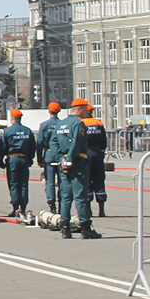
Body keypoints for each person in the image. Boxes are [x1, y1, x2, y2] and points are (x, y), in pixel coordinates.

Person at [51, 98, 101, 239]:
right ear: (79, 109)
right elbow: (77, 143)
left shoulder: (61, 124)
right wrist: (70, 159)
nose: (87, 111)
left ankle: (65, 228)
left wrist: (61, 159)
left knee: (65, 196)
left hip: (64, 163)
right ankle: (85, 227)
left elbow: (53, 142)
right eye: (85, 108)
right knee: (80, 196)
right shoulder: (78, 123)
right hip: (77, 162)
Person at [1, 109, 36, 220]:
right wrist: (30, 159)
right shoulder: (27, 131)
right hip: (24, 159)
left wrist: (0, 160)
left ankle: (16, 208)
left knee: (14, 184)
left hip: (12, 159)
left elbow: (2, 147)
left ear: (12, 118)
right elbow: (32, 147)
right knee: (24, 184)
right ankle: (23, 208)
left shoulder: (7, 131)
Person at [81, 105, 108, 217]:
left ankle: (88, 209)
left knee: (86, 180)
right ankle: (101, 209)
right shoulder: (99, 123)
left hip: (86, 153)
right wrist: (101, 152)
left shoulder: (81, 123)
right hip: (97, 153)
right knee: (99, 179)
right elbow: (104, 140)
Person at [38, 102, 63, 213]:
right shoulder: (62, 124)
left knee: (50, 181)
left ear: (49, 111)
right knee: (62, 181)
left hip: (49, 154)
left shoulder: (44, 125)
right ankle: (62, 203)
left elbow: (39, 142)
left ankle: (51, 204)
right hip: (60, 154)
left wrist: (39, 158)